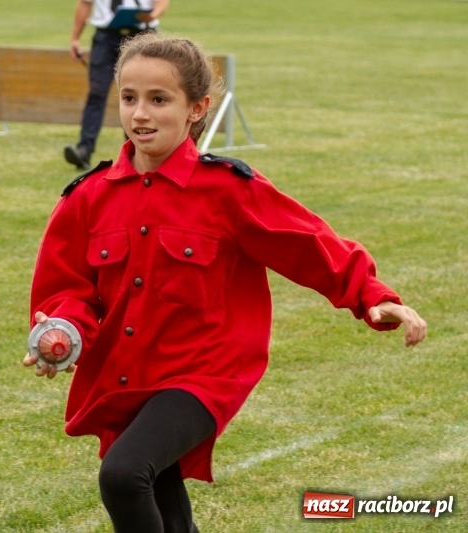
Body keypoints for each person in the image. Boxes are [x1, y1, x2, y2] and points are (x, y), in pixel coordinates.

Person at [24, 32, 428, 532]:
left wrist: (372, 296)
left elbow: (308, 244)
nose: (140, 115)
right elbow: (67, 287)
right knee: (163, 496)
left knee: (125, 475)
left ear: (197, 107)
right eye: (129, 99)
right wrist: (64, 330)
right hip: (129, 371)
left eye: (159, 99)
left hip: (203, 373)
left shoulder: (229, 190)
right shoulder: (88, 197)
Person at [64, 0, 170, 170]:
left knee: (140, 95)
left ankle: (136, 152)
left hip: (142, 35)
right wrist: (75, 38)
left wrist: (152, 16)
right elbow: (85, 3)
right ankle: (84, 149)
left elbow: (162, 2)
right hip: (106, 37)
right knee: (97, 92)